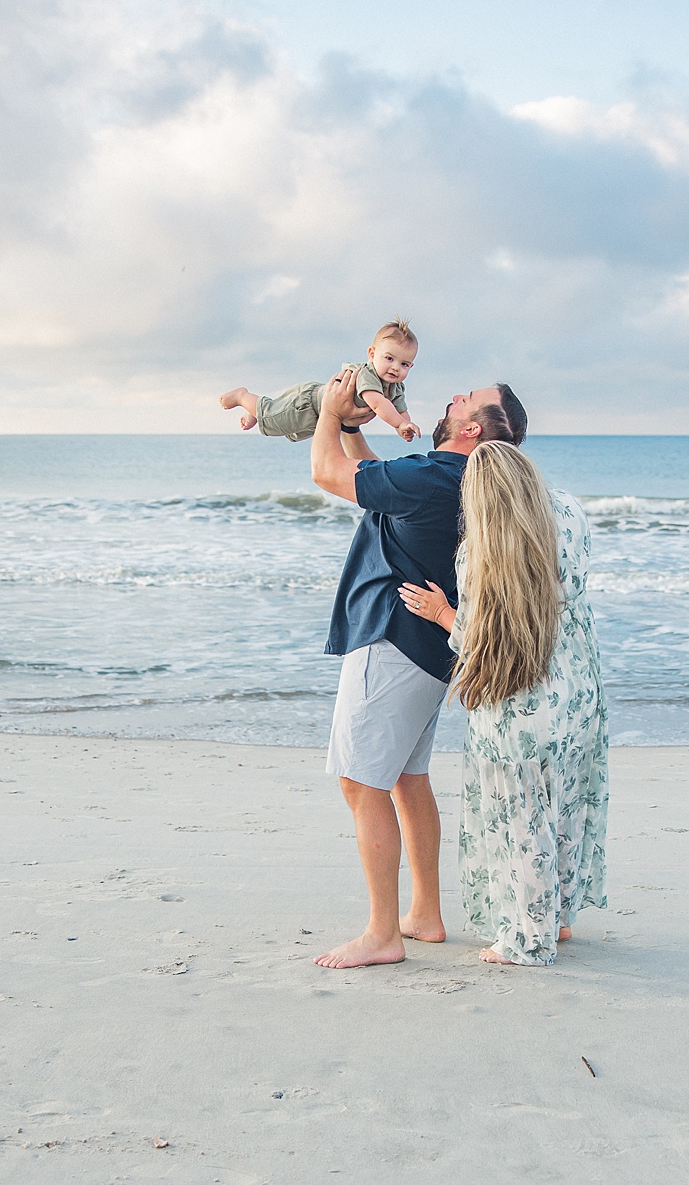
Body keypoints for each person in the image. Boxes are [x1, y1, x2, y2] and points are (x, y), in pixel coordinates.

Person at [306, 367, 528, 969]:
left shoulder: (436, 474)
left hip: (393, 641)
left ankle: (382, 932)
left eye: (466, 398)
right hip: (430, 651)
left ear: (473, 428)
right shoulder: (459, 480)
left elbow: (328, 474)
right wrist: (355, 428)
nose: (453, 396)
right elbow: (376, 481)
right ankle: (424, 912)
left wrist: (328, 413)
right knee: (406, 778)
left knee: (362, 782)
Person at [398, 441, 608, 967]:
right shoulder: (571, 515)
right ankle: (556, 919)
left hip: (518, 707)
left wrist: (442, 612)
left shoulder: (480, 555)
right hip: (578, 692)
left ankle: (526, 940)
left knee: (521, 821)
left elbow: (478, 638)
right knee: (563, 809)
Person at [220, 319, 424, 442]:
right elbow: (379, 404)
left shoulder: (396, 387)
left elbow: (399, 409)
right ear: (372, 354)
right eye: (389, 358)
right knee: (273, 419)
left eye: (404, 364)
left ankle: (254, 411)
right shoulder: (367, 375)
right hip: (308, 404)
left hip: (321, 415)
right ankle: (242, 396)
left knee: (283, 427)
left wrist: (403, 425)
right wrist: (398, 423)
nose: (396, 367)